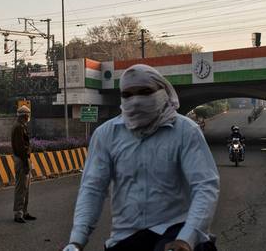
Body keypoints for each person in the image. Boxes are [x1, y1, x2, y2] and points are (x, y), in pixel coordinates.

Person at [63, 64, 220, 251]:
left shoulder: (186, 131)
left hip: (174, 232)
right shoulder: (106, 134)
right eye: (127, 95)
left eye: (145, 92)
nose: (136, 101)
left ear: (163, 92)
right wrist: (76, 241)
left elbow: (205, 186)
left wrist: (187, 238)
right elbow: (93, 188)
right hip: (125, 237)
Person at [11, 105, 36, 223]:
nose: (28, 117)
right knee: (21, 188)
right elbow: (20, 148)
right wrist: (26, 163)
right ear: (24, 116)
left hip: (25, 158)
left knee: (26, 188)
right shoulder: (18, 127)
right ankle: (18, 213)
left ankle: (24, 212)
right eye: (27, 115)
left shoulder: (22, 126)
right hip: (21, 159)